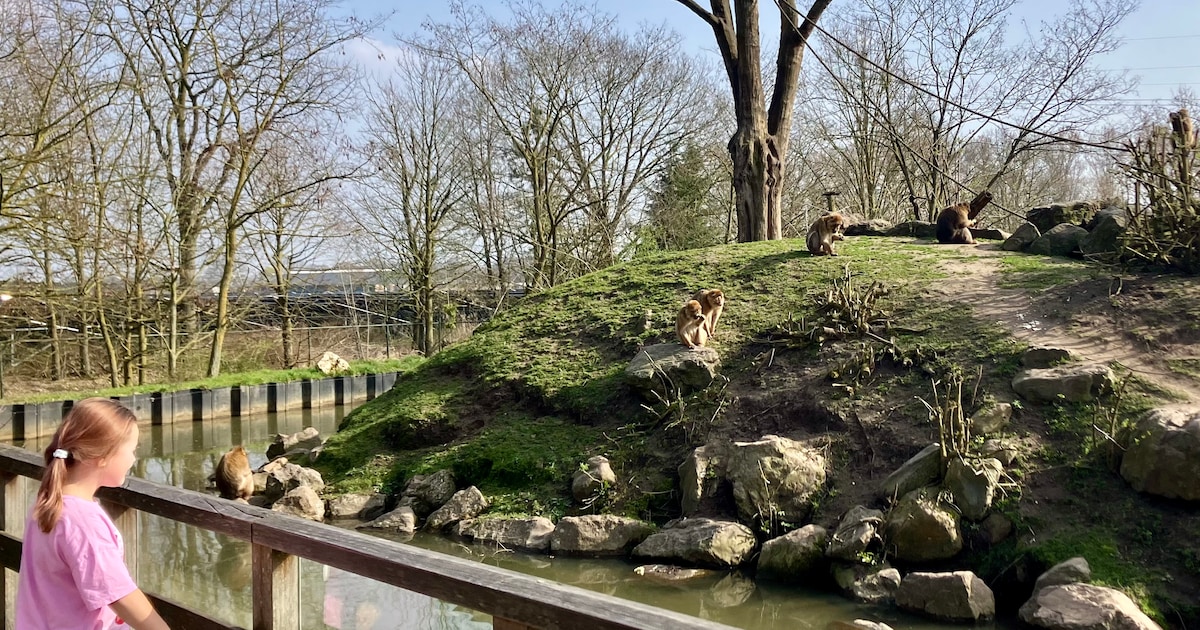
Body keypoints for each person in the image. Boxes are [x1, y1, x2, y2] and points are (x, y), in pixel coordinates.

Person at [16, 397, 170, 629]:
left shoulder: (47, 503)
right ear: (103, 457)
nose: (133, 459)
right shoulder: (83, 522)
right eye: (132, 449)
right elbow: (120, 594)